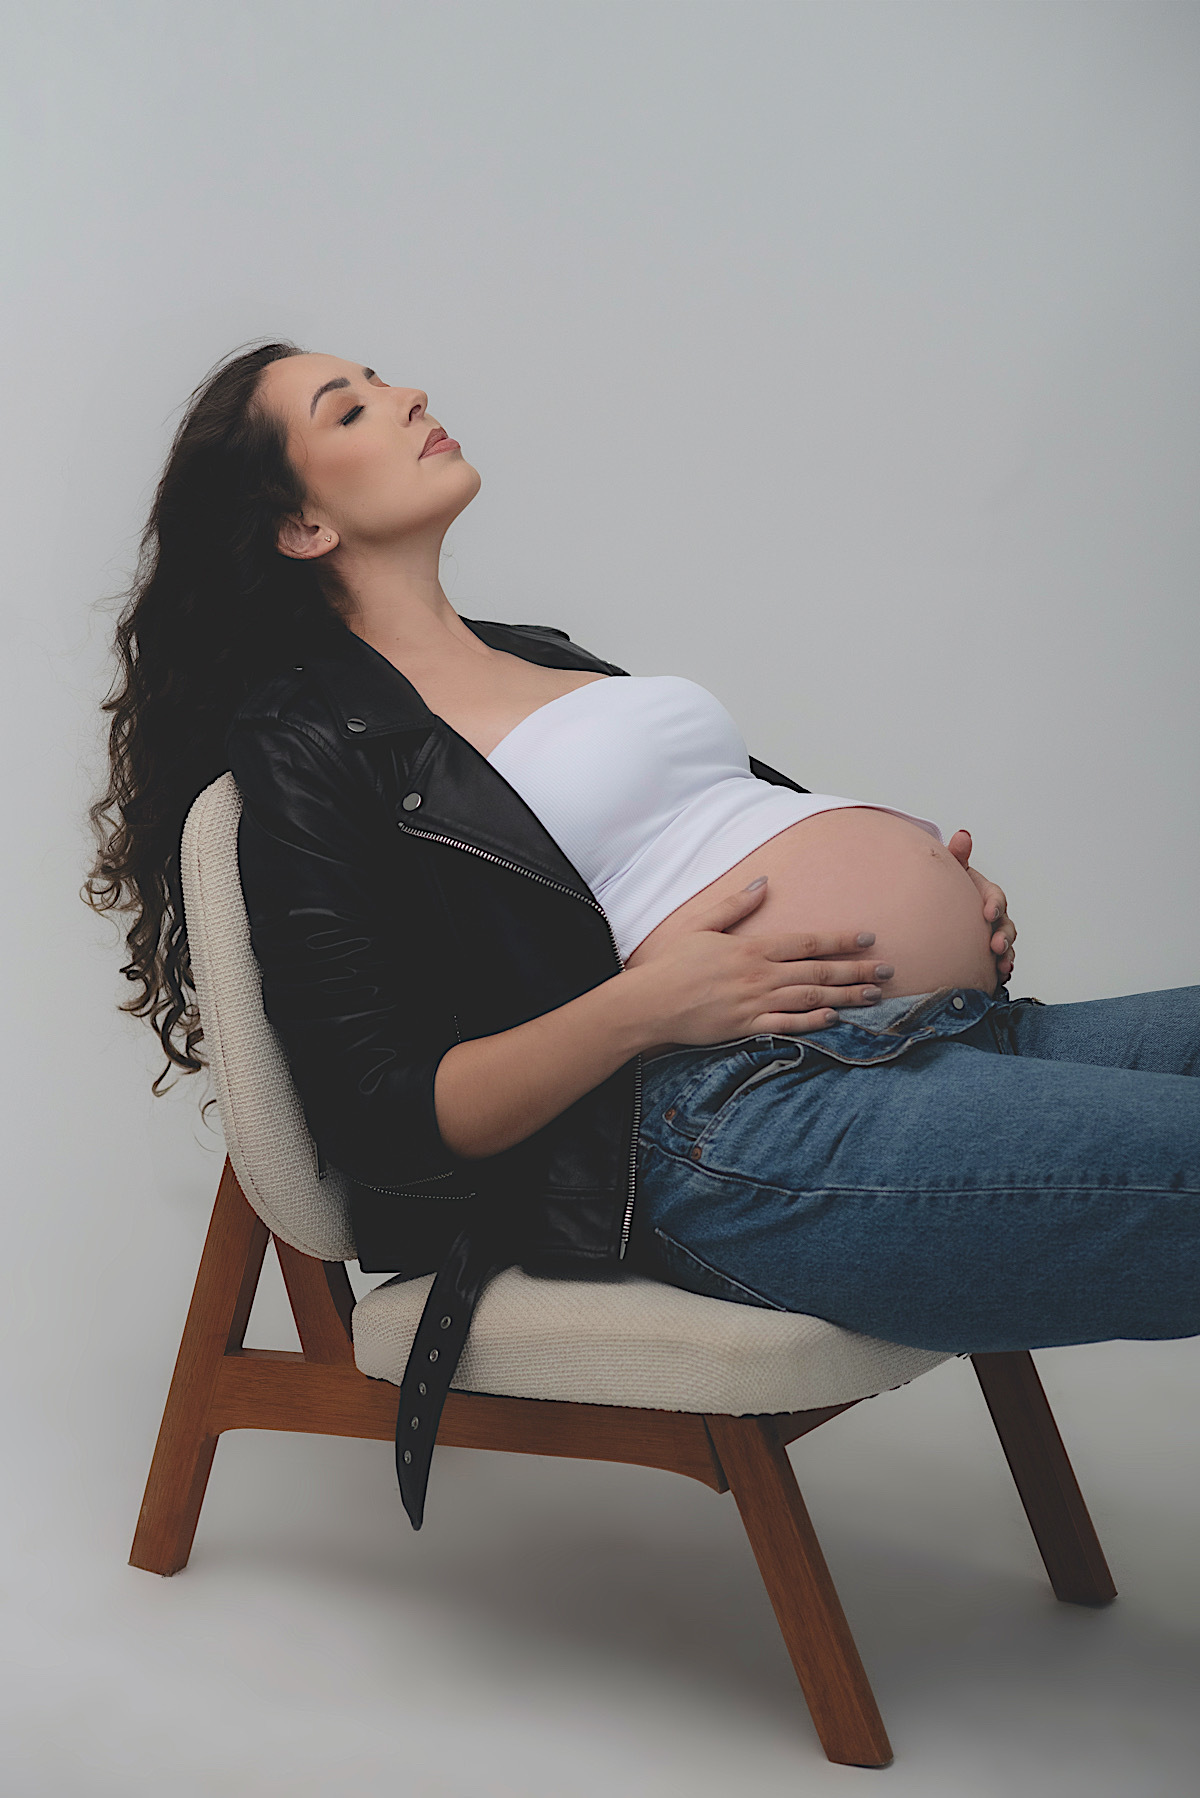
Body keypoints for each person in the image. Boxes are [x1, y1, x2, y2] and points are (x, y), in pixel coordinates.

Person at [85, 341, 1200, 1529]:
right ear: (302, 525)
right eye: (349, 406)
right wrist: (650, 1002)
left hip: (937, 1033)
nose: (411, 393)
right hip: (731, 1112)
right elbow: (384, 1117)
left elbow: (717, 833)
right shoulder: (308, 742)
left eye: (387, 378)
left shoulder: (541, 652)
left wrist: (927, 888)